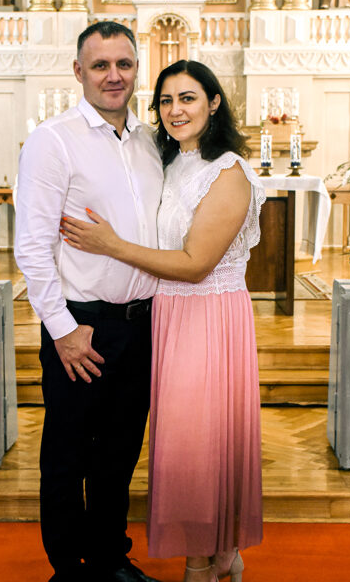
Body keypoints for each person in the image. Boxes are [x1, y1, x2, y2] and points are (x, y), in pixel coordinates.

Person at [61, 60, 264, 582]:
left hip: (208, 318)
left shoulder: (229, 172)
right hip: (167, 315)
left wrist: (111, 246)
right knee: (188, 442)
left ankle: (201, 565)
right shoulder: (169, 163)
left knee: (198, 443)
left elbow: (196, 265)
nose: (175, 110)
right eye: (166, 101)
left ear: (214, 102)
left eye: (188, 98)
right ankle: (223, 553)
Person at [14, 21, 164, 582]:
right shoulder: (53, 141)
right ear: (79, 71)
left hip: (141, 324)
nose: (113, 75)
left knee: (119, 453)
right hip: (82, 324)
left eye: (124, 64)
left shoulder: (150, 142)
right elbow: (32, 246)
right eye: (100, 65)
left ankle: (108, 558)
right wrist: (62, 328)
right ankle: (69, 569)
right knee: (67, 455)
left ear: (137, 69)